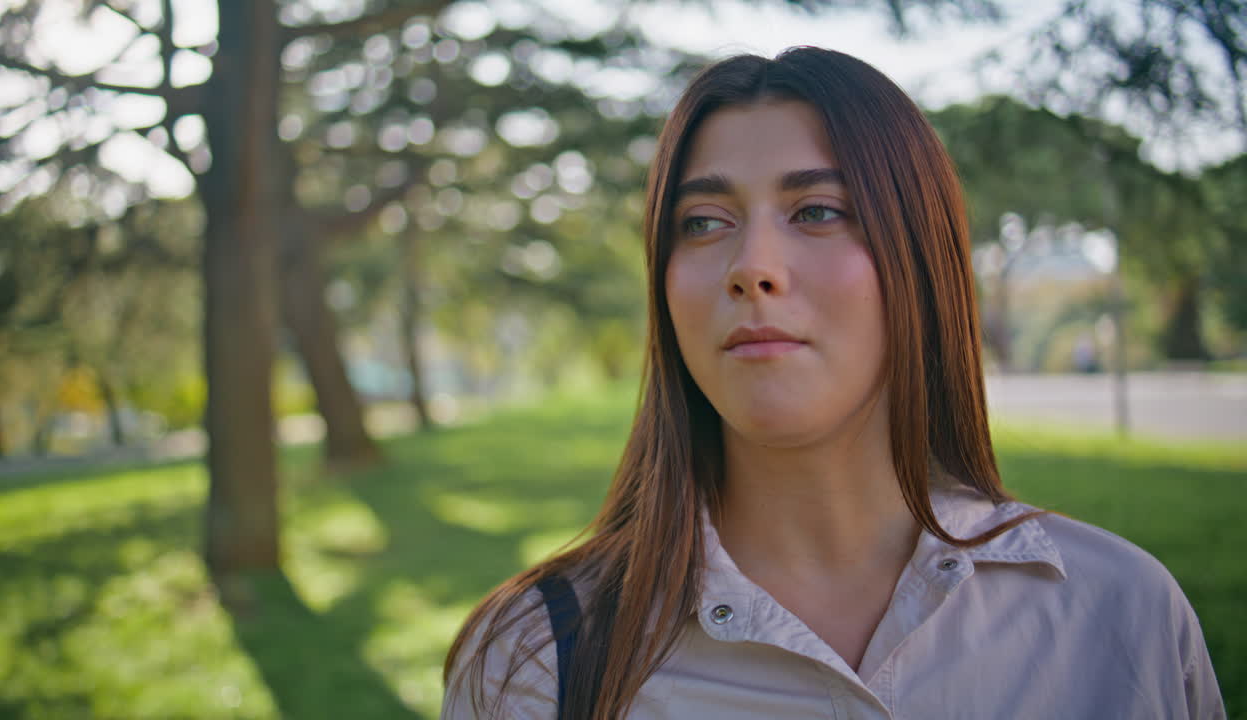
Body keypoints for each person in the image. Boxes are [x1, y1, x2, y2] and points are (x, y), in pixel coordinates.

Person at [440, 47, 1225, 719]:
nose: (751, 268)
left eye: (817, 211)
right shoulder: (535, 662)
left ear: (920, 261)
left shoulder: (1122, 616)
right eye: (704, 222)